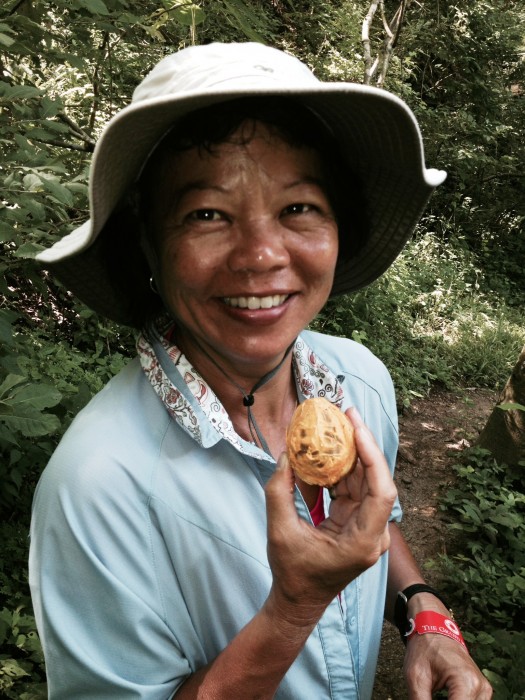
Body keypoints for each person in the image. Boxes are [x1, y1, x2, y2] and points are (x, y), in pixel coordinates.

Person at [29, 42, 492, 699]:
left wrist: (423, 610)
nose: (261, 254)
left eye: (298, 207)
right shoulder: (99, 486)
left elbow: (375, 523)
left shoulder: (358, 381)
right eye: (207, 214)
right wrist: (292, 606)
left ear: (338, 225)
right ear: (148, 244)